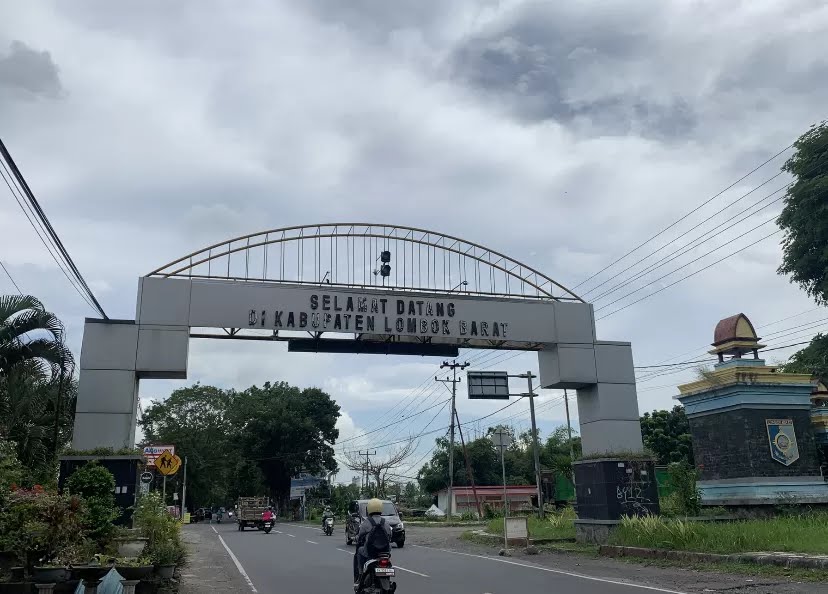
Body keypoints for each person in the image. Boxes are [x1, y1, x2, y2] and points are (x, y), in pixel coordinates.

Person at [353, 498, 392, 587]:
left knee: (359, 551)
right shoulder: (385, 522)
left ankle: (360, 574)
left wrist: (356, 538)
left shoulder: (366, 522)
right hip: (385, 552)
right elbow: (390, 534)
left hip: (371, 552)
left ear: (369, 509)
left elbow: (359, 536)